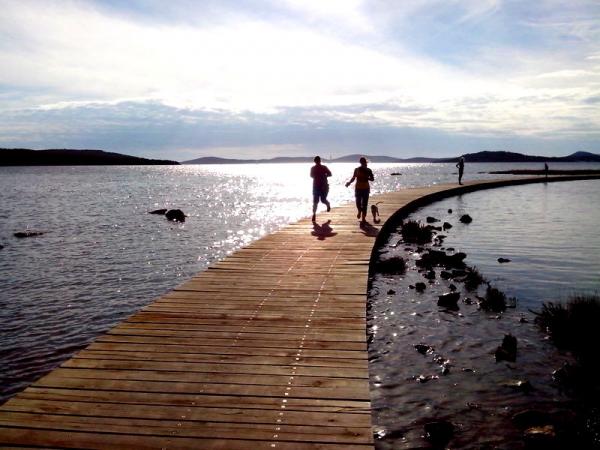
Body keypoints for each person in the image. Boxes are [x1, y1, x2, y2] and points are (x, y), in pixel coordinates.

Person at [345, 157, 374, 224]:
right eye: (361, 162)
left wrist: (367, 178)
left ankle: (363, 218)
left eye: (363, 162)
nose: (362, 163)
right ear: (360, 162)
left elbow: (372, 179)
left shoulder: (368, 170)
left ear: (365, 162)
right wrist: (349, 183)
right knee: (358, 203)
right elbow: (353, 177)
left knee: (365, 204)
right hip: (358, 188)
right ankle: (359, 211)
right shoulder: (357, 169)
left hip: (366, 189)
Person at [310, 156, 331, 222]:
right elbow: (311, 175)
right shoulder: (313, 168)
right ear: (315, 161)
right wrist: (318, 176)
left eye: (318, 161)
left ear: (320, 161)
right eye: (316, 161)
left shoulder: (324, 167)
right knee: (315, 202)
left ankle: (328, 204)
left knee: (323, 200)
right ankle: (314, 214)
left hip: (324, 187)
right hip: (316, 187)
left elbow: (330, 174)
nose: (317, 162)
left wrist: (324, 176)